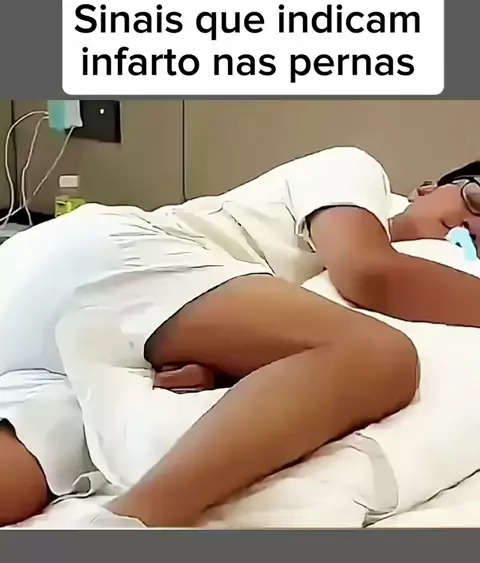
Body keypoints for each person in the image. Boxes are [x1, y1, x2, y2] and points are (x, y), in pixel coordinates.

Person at [0, 146, 476, 530]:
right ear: (429, 187)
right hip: (104, 257)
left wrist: (219, 365)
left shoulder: (443, 274)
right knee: (377, 355)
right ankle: (132, 524)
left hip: (76, 337)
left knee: (47, 453)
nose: (472, 225)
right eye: (475, 201)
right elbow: (369, 272)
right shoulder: (355, 173)